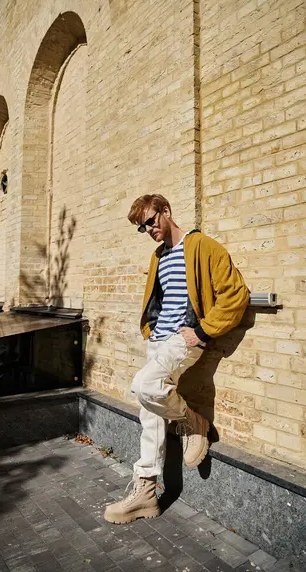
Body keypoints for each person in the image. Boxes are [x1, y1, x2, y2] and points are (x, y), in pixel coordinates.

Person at [104, 194, 249, 525]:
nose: (149, 230)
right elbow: (161, 300)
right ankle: (147, 492)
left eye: (151, 222)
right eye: (142, 228)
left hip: (182, 340)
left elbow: (236, 293)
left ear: (166, 211)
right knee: (149, 412)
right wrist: (150, 330)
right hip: (158, 340)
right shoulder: (159, 256)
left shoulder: (201, 246)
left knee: (144, 385)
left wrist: (203, 331)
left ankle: (191, 421)